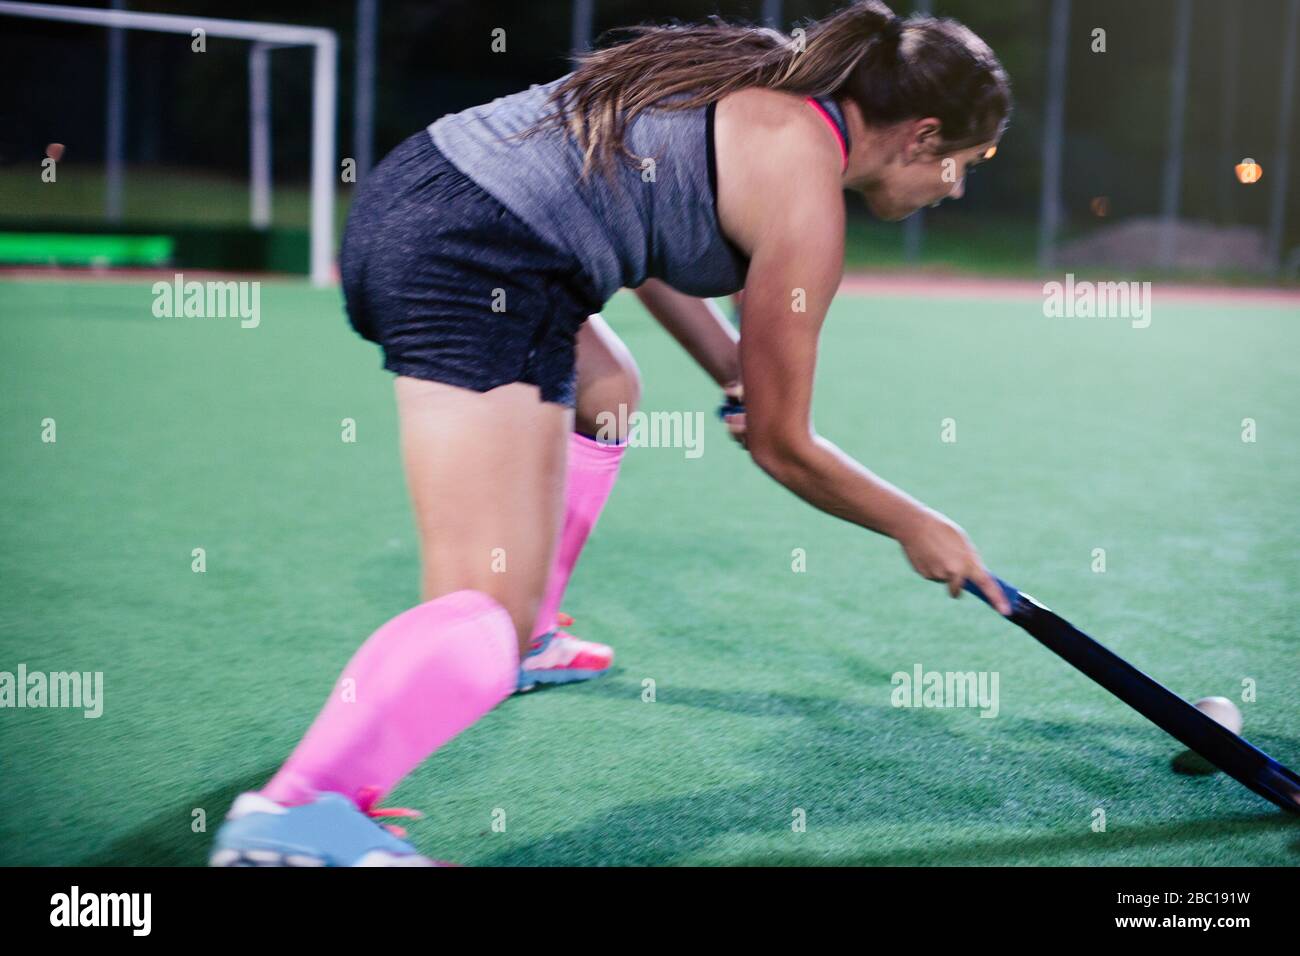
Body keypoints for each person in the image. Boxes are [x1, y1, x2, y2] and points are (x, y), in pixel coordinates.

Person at [210, 0, 1013, 866]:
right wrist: (917, 525)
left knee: (610, 390)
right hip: (480, 254)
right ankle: (295, 817)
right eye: (967, 164)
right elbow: (786, 447)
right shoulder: (806, 196)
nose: (954, 187)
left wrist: (730, 364)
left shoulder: (758, 82)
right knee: (481, 614)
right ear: (923, 136)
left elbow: (636, 219)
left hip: (424, 189)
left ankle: (536, 632)